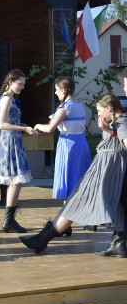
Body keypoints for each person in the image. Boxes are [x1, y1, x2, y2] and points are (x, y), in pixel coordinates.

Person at [20, 93, 126, 256]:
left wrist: (108, 131)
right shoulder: (117, 123)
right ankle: (118, 244)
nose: (98, 115)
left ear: (109, 108)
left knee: (75, 203)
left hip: (107, 173)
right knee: (109, 205)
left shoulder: (122, 123)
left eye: (99, 111)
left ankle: (42, 240)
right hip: (105, 171)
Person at [33, 76, 91, 211]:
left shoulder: (64, 108)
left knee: (68, 181)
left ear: (64, 90)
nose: (55, 93)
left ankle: (66, 219)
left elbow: (50, 128)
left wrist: (37, 126)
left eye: (57, 90)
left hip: (68, 144)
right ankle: (86, 216)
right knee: (79, 178)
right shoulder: (79, 106)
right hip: (81, 143)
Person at [0, 69, 34, 233]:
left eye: (23, 84)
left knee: (16, 181)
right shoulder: (6, 99)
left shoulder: (10, 98)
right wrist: (23, 128)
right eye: (20, 84)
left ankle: (9, 220)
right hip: (9, 141)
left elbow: (9, 122)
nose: (22, 87)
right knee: (15, 180)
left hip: (14, 139)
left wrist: (24, 127)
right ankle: (9, 221)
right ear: (10, 81)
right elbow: (1, 124)